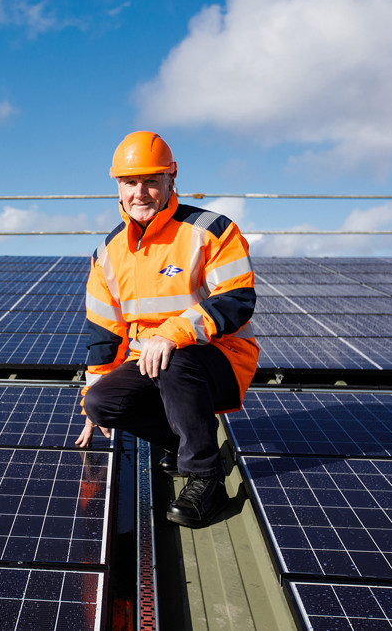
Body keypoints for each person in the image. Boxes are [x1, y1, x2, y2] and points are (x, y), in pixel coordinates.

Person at [75, 131, 259, 529]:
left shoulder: (211, 229)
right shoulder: (108, 253)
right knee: (101, 401)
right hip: (153, 364)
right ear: (118, 187)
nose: (140, 193)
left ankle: (207, 479)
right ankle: (183, 440)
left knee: (172, 359)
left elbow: (237, 299)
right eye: (129, 182)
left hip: (220, 360)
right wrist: (92, 395)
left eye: (151, 181)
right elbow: (105, 333)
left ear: (171, 180)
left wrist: (172, 334)